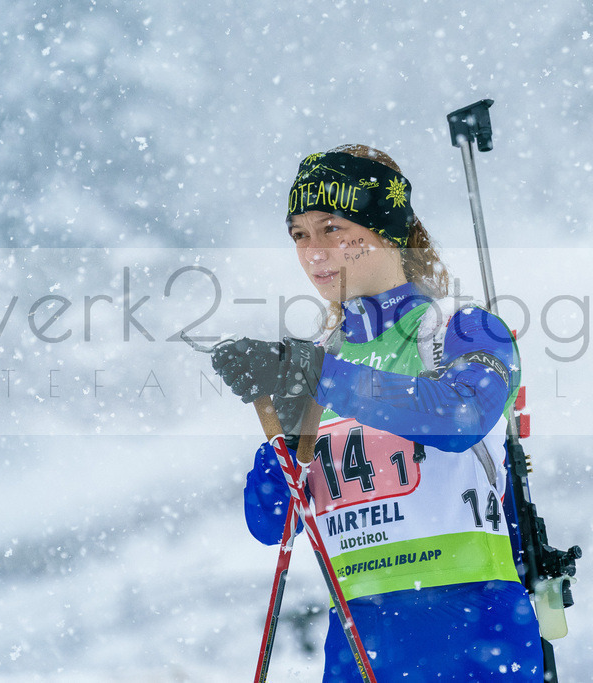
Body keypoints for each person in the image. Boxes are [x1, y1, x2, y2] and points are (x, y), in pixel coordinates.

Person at [210, 144, 544, 681]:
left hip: (472, 636)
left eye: (332, 228)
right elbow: (272, 523)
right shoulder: (321, 358)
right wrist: (278, 445)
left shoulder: (459, 328)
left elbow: (461, 417)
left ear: (386, 230)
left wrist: (311, 374)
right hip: (358, 640)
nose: (314, 252)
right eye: (299, 235)